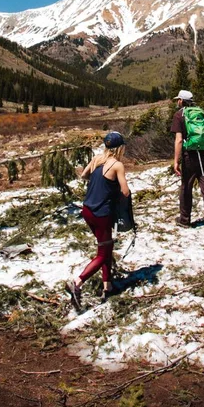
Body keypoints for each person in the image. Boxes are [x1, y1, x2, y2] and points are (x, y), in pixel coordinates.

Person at [66, 131, 130, 308]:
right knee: (103, 253)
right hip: (102, 213)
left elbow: (84, 175)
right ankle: (78, 282)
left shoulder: (97, 160)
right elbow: (125, 191)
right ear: (120, 148)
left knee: (105, 247)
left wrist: (98, 182)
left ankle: (107, 286)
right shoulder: (117, 165)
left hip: (87, 210)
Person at [171, 90, 204, 237]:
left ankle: (184, 219)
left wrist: (176, 161)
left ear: (181, 101)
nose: (177, 102)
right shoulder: (201, 112)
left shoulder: (179, 115)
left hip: (189, 156)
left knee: (186, 186)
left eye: (178, 99)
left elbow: (179, 140)